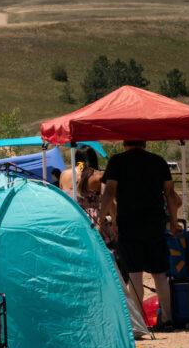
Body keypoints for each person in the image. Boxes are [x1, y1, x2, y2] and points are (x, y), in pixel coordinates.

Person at [99, 140, 180, 330]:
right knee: (160, 274)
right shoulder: (158, 161)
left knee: (135, 275)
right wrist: (174, 222)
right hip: (155, 223)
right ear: (144, 143)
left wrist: (102, 217)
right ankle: (167, 319)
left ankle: (138, 324)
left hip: (130, 223)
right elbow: (170, 194)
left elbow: (109, 191)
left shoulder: (117, 161)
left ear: (125, 143)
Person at [60, 146, 111, 238]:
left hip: (70, 220)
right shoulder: (98, 176)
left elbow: (62, 199)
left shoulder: (64, 174)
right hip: (93, 223)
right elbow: (106, 200)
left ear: (76, 159)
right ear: (93, 159)